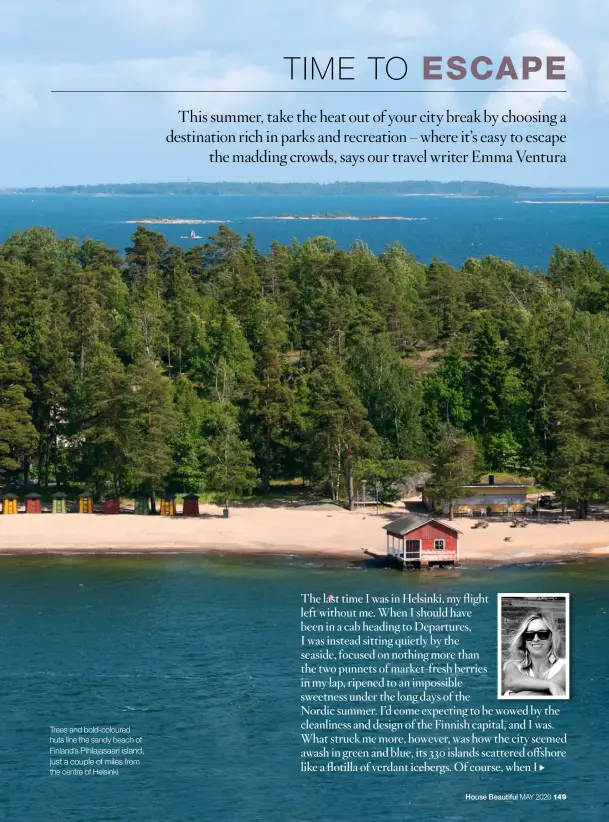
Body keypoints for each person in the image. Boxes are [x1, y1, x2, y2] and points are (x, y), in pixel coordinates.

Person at [502, 610, 567, 697]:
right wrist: (550, 685)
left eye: (543, 634)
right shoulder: (513, 666)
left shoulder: (565, 666)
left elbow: (554, 690)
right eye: (529, 635)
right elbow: (511, 682)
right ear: (523, 641)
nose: (536, 639)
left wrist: (514, 696)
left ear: (551, 639)